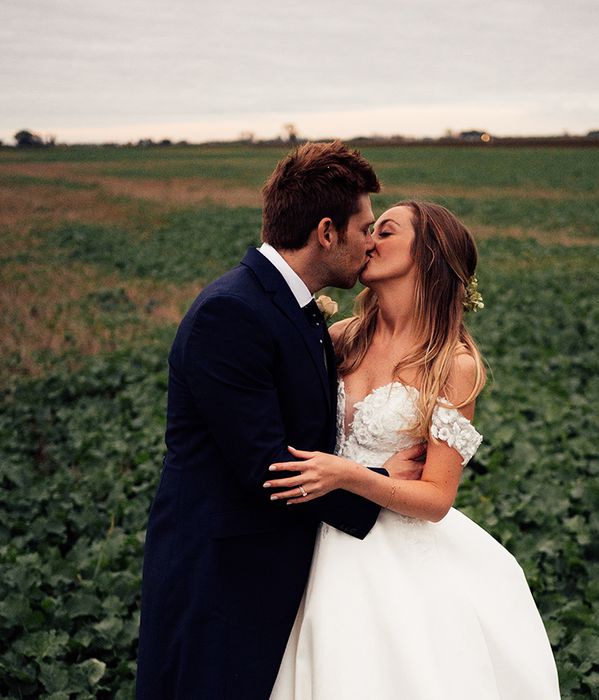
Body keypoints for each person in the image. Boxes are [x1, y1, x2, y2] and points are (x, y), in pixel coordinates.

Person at [136, 142, 423, 699]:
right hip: (220, 575)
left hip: (274, 565)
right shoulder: (232, 312)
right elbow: (268, 466)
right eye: (365, 227)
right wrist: (378, 485)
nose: (371, 241)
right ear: (325, 232)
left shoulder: (290, 305)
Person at [266, 200, 561, 699]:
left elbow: (436, 499)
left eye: (385, 230)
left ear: (427, 254)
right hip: (315, 533)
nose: (368, 240)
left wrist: (353, 474)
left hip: (392, 552)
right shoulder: (341, 338)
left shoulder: (453, 364)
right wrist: (357, 471)